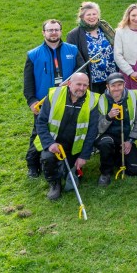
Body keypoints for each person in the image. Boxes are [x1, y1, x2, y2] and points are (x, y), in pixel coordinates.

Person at [24, 19, 82, 178]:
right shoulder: (33, 54)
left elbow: (81, 74)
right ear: (44, 32)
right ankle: (32, 164)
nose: (53, 32)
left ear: (61, 31)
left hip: (67, 100)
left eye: (56, 29)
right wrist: (32, 101)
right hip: (43, 103)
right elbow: (28, 83)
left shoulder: (73, 50)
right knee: (38, 133)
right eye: (50, 30)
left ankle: (61, 161)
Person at [33, 73, 101, 201]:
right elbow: (41, 122)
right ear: (69, 83)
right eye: (78, 84)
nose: (81, 88)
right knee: (48, 158)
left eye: (85, 85)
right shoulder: (54, 95)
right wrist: (50, 143)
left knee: (71, 175)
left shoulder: (93, 101)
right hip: (55, 144)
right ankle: (54, 184)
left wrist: (84, 156)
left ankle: (68, 169)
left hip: (75, 147)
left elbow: (92, 131)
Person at [94, 73, 137, 185]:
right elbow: (98, 128)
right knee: (106, 144)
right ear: (107, 86)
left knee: (136, 169)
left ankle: (116, 156)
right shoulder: (100, 100)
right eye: (113, 85)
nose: (116, 88)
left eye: (119, 85)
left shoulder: (133, 96)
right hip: (107, 136)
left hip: (126, 138)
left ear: (124, 85)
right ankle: (105, 173)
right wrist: (108, 117)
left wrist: (131, 141)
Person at [66, 1, 117, 94]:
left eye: (94, 14)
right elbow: (74, 59)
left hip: (111, 76)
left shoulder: (105, 28)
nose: (92, 17)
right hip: (92, 79)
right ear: (82, 17)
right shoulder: (74, 35)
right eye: (88, 15)